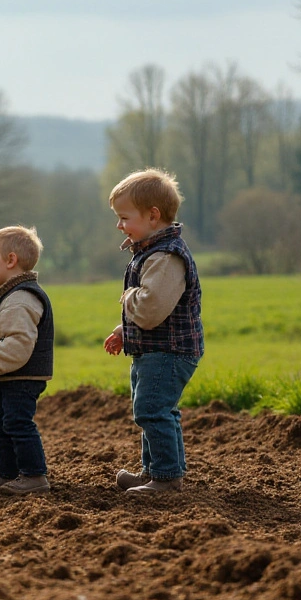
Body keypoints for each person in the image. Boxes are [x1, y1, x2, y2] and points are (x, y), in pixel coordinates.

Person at [103, 169, 204, 494]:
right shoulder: (152, 251)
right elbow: (153, 311)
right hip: (157, 349)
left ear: (153, 215)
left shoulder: (165, 257)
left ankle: (165, 478)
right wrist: (123, 329)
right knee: (154, 409)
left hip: (169, 352)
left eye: (124, 217)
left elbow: (149, 310)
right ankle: (153, 471)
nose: (119, 225)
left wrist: (128, 297)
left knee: (151, 410)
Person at [0, 226, 53, 495]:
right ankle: (7, 474)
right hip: (10, 376)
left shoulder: (20, 299)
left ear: (11, 261)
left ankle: (34, 476)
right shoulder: (10, 296)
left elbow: (18, 344)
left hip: (23, 378)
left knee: (17, 423)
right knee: (0, 426)